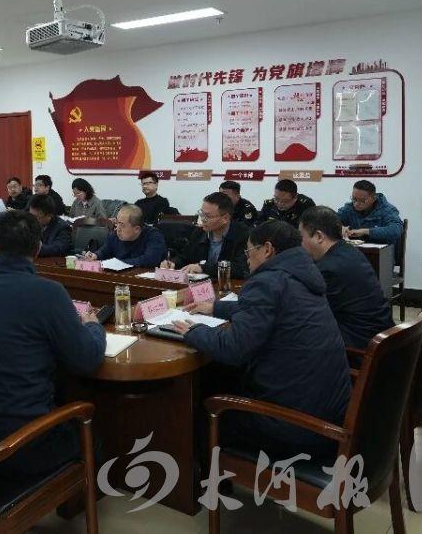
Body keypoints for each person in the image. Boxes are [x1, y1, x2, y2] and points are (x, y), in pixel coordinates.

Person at [173, 221, 351, 460]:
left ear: (267, 249)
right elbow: (266, 308)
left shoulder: (267, 281)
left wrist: (194, 331)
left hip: (296, 427)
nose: (246, 259)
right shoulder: (302, 273)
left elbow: (234, 349)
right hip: (327, 412)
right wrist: (215, 307)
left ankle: (203, 479)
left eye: (248, 252)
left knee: (199, 409)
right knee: (222, 377)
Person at [0, 210, 106, 492]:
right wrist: (93, 327)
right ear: (38, 248)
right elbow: (87, 359)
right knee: (91, 432)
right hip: (23, 444)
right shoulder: (48, 292)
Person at [300, 206, 395, 350]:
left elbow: (310, 316)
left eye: (302, 237)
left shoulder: (328, 269)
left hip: (360, 345)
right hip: (381, 335)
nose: (300, 244)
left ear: (319, 236)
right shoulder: (350, 251)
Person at [161, 192, 249, 279]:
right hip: (200, 284)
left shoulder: (242, 235)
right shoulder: (199, 232)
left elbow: (240, 268)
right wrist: (173, 263)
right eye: (201, 214)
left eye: (207, 216)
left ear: (225, 218)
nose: (202, 219)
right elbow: (185, 257)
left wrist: (203, 268)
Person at [82, 204, 166, 267]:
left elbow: (150, 260)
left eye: (122, 225)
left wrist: (119, 263)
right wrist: (95, 255)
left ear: (137, 229)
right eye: (117, 223)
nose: (117, 228)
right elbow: (105, 250)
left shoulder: (154, 236)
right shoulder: (114, 235)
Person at [336, 180, 404, 245]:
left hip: (382, 251)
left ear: (373, 199)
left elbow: (396, 230)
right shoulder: (348, 208)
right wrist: (340, 227)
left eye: (363, 201)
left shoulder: (387, 210)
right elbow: (332, 221)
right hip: (354, 250)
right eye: (354, 199)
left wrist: (366, 231)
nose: (356, 204)